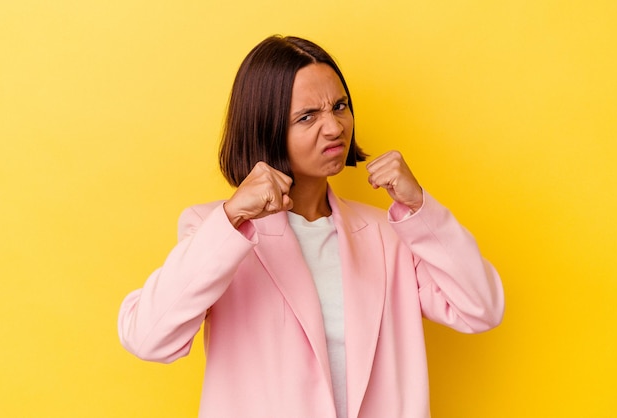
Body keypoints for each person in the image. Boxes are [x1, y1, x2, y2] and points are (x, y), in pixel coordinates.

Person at [118, 35, 504, 418]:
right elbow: (149, 339)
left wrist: (419, 205)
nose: (335, 127)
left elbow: (481, 308)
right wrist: (232, 217)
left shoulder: (390, 234)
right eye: (307, 117)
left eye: (340, 106)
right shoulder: (216, 230)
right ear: (266, 128)